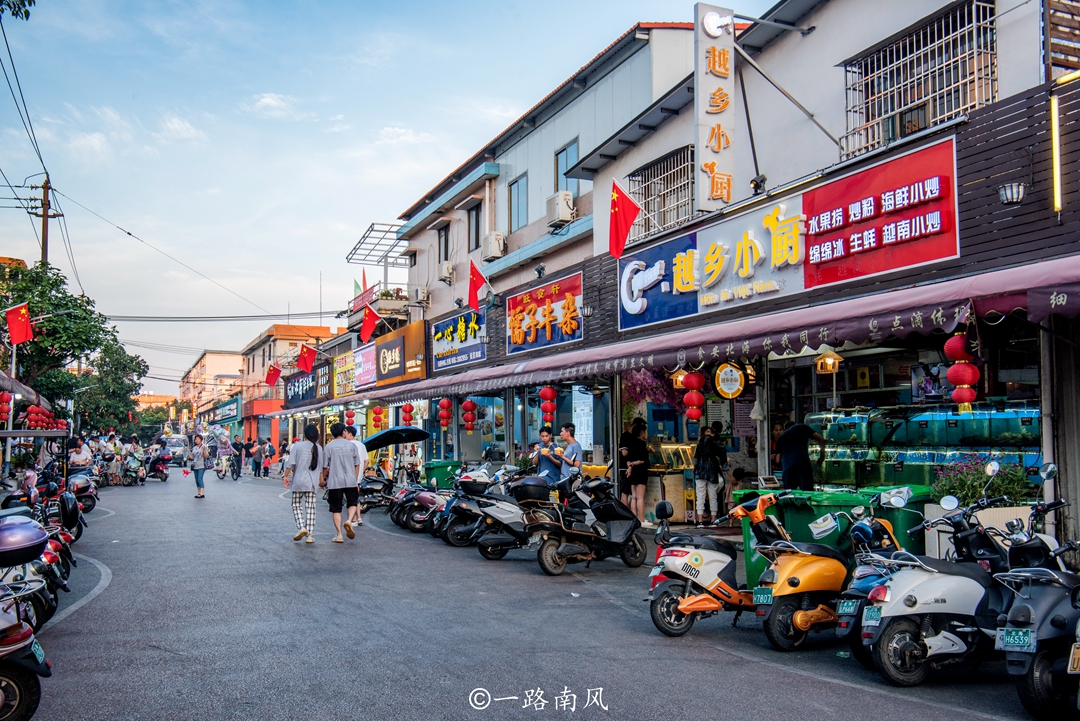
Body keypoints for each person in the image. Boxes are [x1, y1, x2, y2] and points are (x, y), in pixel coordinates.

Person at [322, 423, 361, 543]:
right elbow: (357, 464)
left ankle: (339, 534)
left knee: (336, 509)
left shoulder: (329, 446)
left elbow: (325, 466)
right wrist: (355, 480)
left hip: (335, 481)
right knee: (353, 503)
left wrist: (322, 479)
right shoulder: (352, 445)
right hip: (350, 480)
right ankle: (349, 520)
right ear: (344, 432)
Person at [283, 424, 323, 543]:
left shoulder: (298, 446)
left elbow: (290, 463)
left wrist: (285, 476)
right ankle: (310, 535)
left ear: (305, 434)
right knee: (311, 508)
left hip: (299, 481)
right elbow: (321, 467)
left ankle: (301, 527)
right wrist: (321, 480)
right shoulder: (319, 448)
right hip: (312, 482)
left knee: (296, 505)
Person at [776, 420, 826, 491]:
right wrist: (822, 457)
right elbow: (821, 439)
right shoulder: (802, 427)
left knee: (789, 493)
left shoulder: (781, 437)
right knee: (807, 491)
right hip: (802, 462)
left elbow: (777, 460)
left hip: (787, 467)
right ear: (795, 424)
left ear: (784, 429)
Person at [693, 424, 725, 527]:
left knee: (700, 496)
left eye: (710, 432)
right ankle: (713, 520)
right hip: (712, 471)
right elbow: (722, 456)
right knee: (713, 496)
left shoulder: (700, 443)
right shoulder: (716, 444)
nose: (709, 434)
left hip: (700, 471)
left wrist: (695, 467)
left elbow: (696, 457)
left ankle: (700, 520)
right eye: (708, 432)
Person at [625, 425, 651, 525]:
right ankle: (641, 520)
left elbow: (628, 460)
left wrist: (630, 466)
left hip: (633, 472)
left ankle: (634, 519)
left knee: (634, 497)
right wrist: (635, 463)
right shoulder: (641, 444)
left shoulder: (631, 443)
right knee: (640, 497)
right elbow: (643, 460)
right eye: (645, 431)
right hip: (641, 471)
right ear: (641, 432)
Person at [343, 426, 367, 526]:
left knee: (350, 498)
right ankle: (359, 517)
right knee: (355, 496)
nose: (344, 434)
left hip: (349, 475)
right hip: (358, 476)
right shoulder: (362, 445)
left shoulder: (347, 445)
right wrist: (361, 472)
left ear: (350, 434)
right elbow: (366, 461)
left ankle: (353, 519)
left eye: (345, 432)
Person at [618, 419, 647, 506]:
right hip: (625, 468)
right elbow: (624, 453)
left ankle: (631, 511)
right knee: (625, 492)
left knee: (634, 495)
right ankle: (625, 512)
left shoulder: (636, 438)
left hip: (634, 469)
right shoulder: (625, 436)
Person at [191, 434, 209, 499]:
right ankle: (198, 492)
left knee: (199, 478)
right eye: (196, 439)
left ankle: (202, 493)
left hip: (202, 465)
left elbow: (206, 456)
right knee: (196, 480)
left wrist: (203, 450)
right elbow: (192, 457)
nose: (197, 440)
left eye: (198, 439)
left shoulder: (204, 446)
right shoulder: (194, 448)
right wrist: (188, 453)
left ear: (201, 440)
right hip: (195, 465)